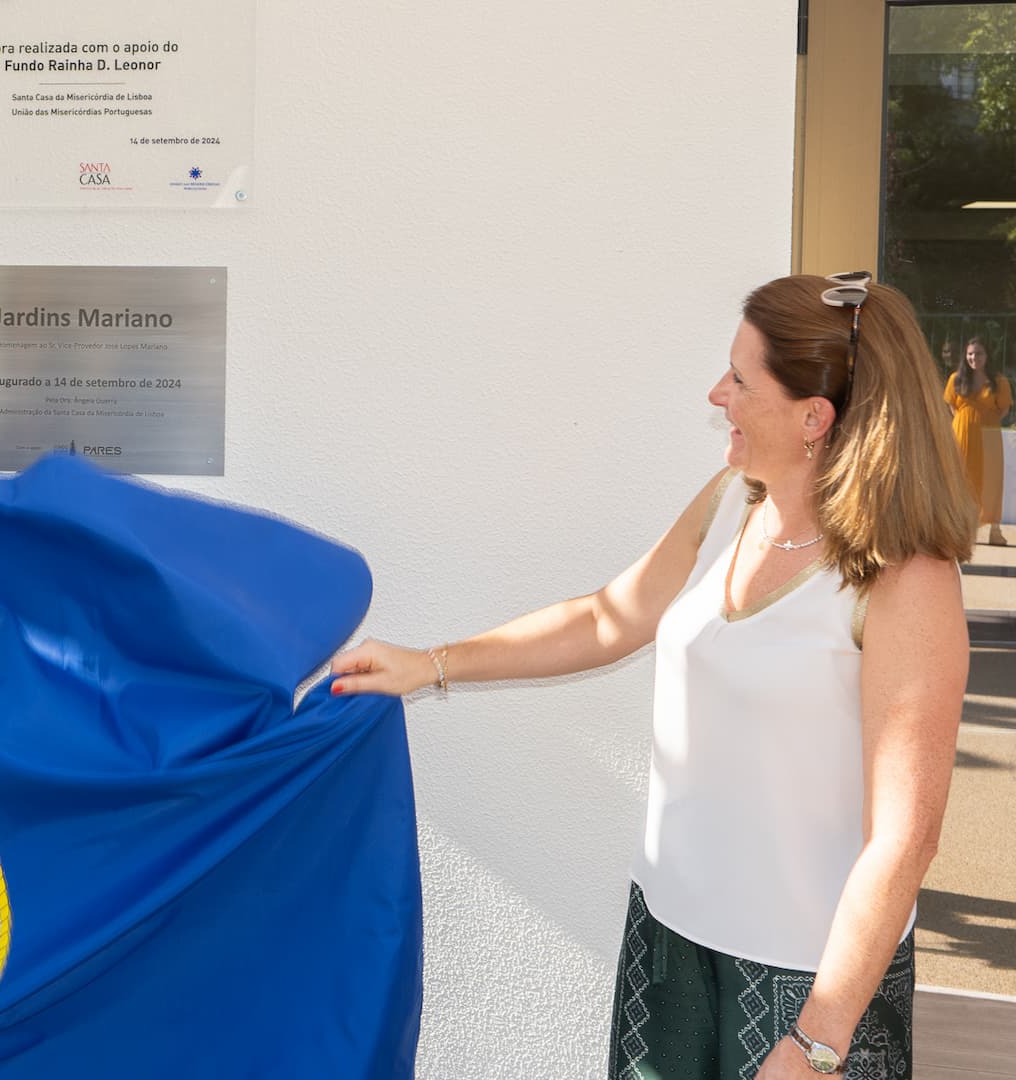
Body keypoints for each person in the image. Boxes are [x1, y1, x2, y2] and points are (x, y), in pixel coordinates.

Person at [332, 272, 972, 1079]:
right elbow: (609, 617)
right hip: (670, 938)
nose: (718, 394)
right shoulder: (733, 503)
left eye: (740, 381)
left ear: (815, 417)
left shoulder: (906, 580)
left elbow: (904, 838)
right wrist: (430, 664)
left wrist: (819, 1039)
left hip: (803, 979)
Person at [944, 334, 1010, 546]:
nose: (974, 358)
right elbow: (952, 406)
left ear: (987, 355)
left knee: (991, 481)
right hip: (962, 435)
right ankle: (961, 530)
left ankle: (994, 530)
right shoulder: (956, 379)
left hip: (989, 435)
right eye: (970, 354)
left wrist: (985, 422)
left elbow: (1004, 409)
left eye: (979, 353)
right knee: (961, 480)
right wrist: (966, 422)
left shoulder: (999, 381)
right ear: (965, 356)